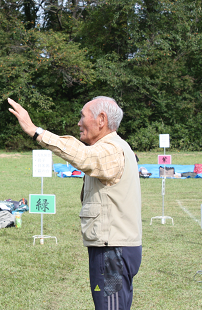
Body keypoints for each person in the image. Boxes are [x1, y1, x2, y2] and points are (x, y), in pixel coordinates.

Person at [8, 96, 142, 310]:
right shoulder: (112, 147)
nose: (79, 123)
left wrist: (36, 131)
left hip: (113, 252)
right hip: (113, 248)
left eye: (83, 117)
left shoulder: (111, 149)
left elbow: (84, 157)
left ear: (101, 119)